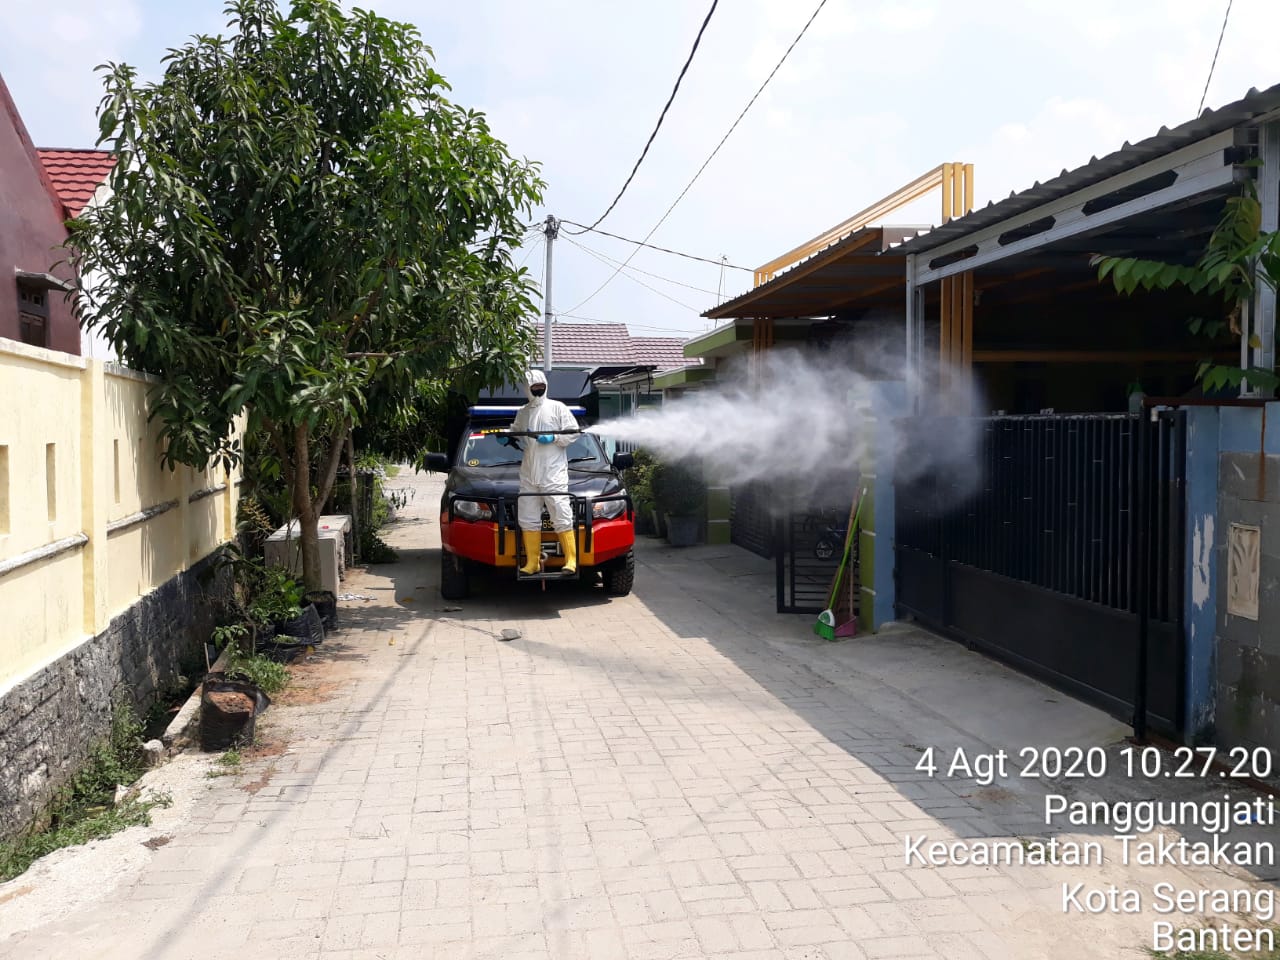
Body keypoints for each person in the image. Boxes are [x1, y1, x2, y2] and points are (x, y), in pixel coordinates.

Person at [511, 369, 580, 575]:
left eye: (541, 387)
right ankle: (531, 563)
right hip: (529, 473)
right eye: (534, 388)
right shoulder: (523, 412)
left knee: (561, 513)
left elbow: (573, 432)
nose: (538, 391)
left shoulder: (557, 408)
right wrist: (508, 437)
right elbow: (516, 431)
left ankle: (571, 561)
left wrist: (554, 438)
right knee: (528, 516)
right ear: (527, 389)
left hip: (553, 472)